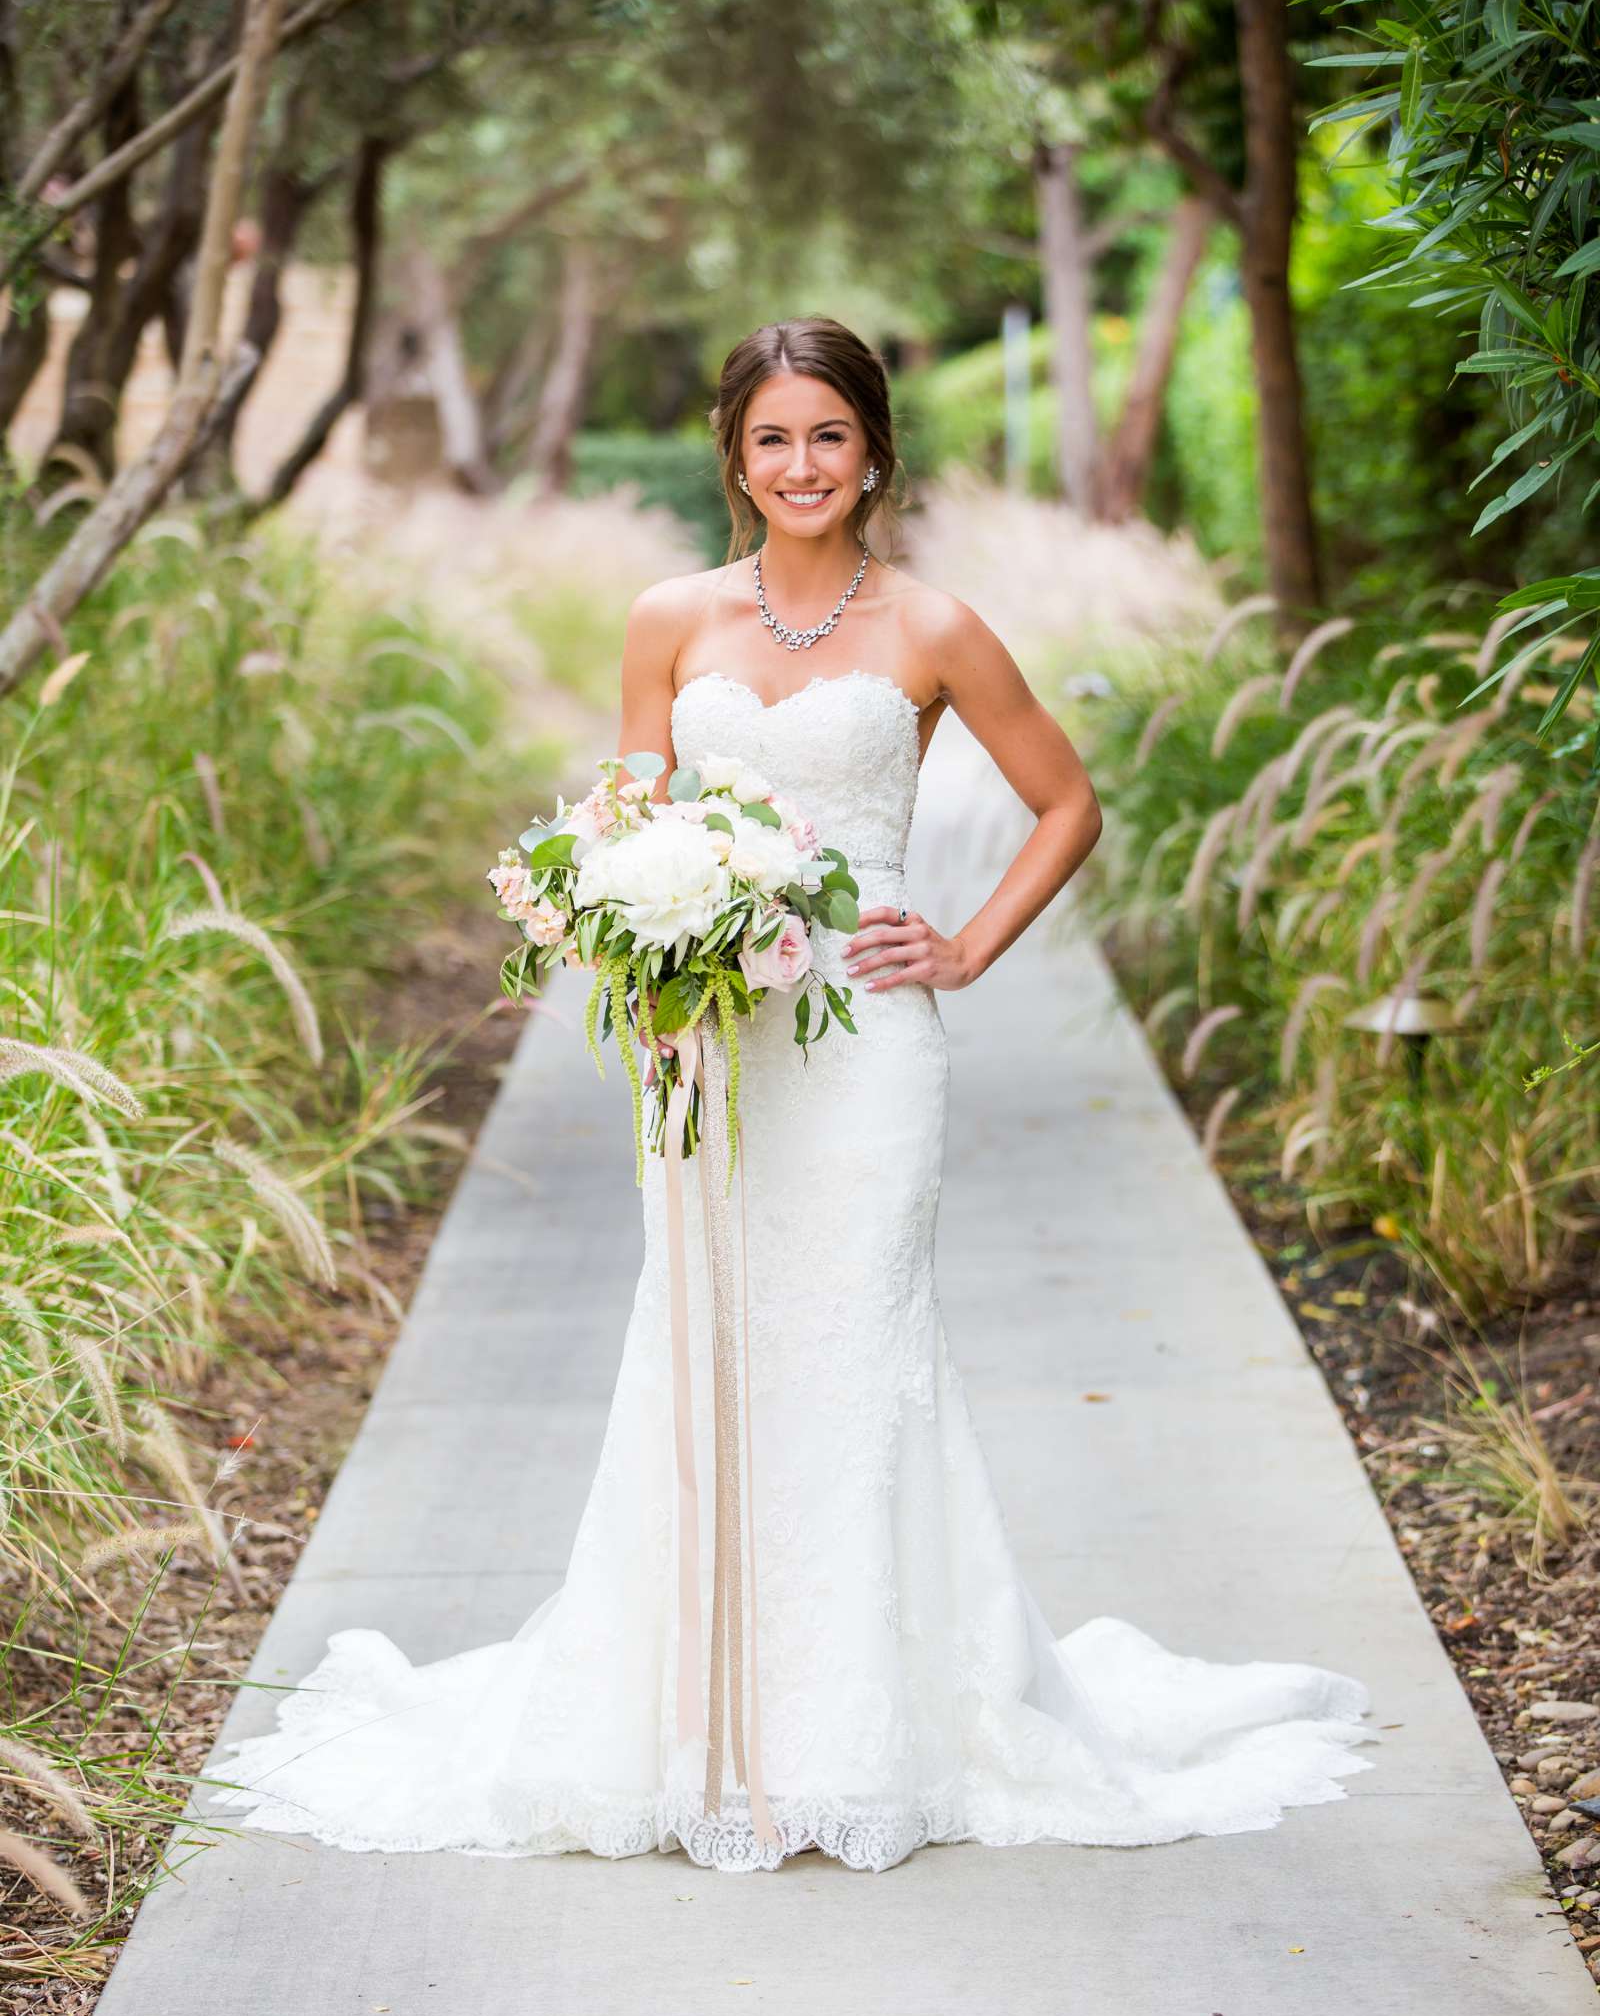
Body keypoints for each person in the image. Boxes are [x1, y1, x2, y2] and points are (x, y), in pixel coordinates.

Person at [204, 315, 1378, 1873]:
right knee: (700, 1356)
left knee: (858, 1355)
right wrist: (630, 927)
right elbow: (629, 811)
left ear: (874, 450)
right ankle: (690, 1727)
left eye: (829, 435)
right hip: (709, 1047)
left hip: (869, 1052)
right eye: (773, 439)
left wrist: (961, 943)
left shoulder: (937, 628)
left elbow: (1068, 801)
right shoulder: (667, 618)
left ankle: (861, 1731)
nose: (802, 465)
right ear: (735, 457)